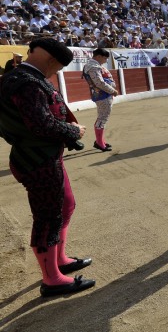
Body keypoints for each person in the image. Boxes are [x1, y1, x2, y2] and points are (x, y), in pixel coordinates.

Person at [0, 38, 95, 297]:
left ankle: (59, 260)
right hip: (37, 158)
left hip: (41, 155)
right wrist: (72, 130)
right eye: (58, 68)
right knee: (48, 218)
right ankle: (51, 279)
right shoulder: (27, 83)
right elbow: (41, 125)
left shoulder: (18, 77)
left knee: (64, 206)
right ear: (52, 61)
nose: (56, 73)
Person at [82, 48, 118, 152]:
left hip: (103, 94)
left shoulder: (93, 65)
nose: (106, 60)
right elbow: (99, 83)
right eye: (105, 58)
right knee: (102, 118)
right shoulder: (93, 66)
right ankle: (99, 142)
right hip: (103, 94)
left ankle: (100, 140)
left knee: (102, 117)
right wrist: (112, 91)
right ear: (98, 56)